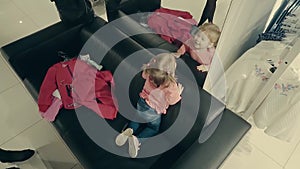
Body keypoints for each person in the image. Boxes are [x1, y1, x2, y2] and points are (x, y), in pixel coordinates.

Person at [115, 53, 183, 158]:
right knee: (153, 128)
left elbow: (143, 74)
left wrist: (150, 66)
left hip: (141, 103)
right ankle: (138, 139)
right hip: (153, 112)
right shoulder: (170, 85)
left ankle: (127, 132)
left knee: (136, 119)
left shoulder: (149, 73)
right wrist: (178, 92)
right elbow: (172, 101)